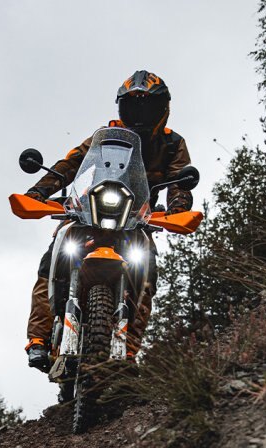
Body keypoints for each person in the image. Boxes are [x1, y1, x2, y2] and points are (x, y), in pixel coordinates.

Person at [23, 70, 194, 371]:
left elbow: (180, 179)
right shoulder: (105, 136)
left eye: (147, 106)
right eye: (133, 106)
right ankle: (38, 339)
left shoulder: (172, 144)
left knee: (147, 274)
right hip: (88, 211)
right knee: (51, 261)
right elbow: (71, 163)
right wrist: (39, 191)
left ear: (163, 108)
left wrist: (178, 207)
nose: (140, 113)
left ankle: (128, 352)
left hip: (135, 219)